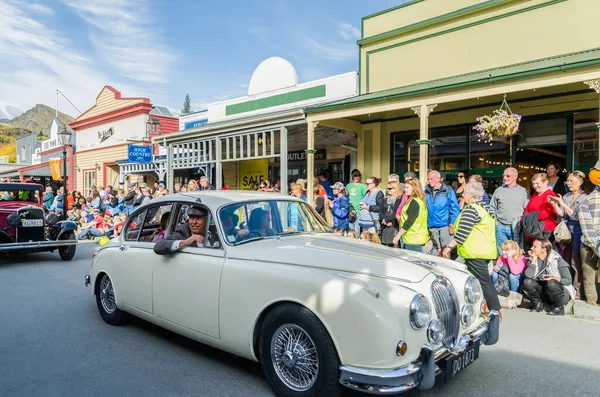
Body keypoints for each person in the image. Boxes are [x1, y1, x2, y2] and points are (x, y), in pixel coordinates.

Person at [443, 182, 501, 316]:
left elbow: (462, 232)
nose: (462, 195)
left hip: (475, 252)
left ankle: (494, 309)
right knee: (476, 281)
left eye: (464, 193)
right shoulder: (487, 208)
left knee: (483, 282)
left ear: (470, 195)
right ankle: (480, 306)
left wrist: (449, 247)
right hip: (485, 251)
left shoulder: (471, 209)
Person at [548, 171, 587, 298]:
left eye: (571, 181)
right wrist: (554, 203)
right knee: (566, 259)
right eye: (568, 181)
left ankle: (578, 290)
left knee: (576, 261)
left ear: (580, 182)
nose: (568, 184)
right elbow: (561, 213)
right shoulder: (566, 196)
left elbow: (576, 216)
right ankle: (567, 285)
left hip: (578, 230)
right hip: (566, 231)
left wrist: (563, 203)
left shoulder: (584, 197)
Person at [522, 239, 576, 315]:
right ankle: (538, 304)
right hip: (545, 292)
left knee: (552, 283)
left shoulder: (557, 260)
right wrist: (533, 259)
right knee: (527, 282)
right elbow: (528, 276)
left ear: (543, 250)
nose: (531, 248)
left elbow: (568, 280)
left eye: (535, 247)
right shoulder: (533, 258)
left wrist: (555, 278)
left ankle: (559, 308)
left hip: (560, 293)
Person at [490, 167, 529, 253]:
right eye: (503, 176)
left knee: (515, 252)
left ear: (515, 177)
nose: (504, 178)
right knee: (502, 252)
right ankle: (504, 266)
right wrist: (495, 221)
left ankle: (513, 266)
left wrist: (521, 220)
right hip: (500, 226)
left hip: (516, 227)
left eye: (508, 176)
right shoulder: (498, 191)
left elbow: (527, 209)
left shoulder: (523, 191)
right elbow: (492, 207)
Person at [579, 160, 600, 306]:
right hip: (589, 243)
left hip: (590, 242)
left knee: (589, 275)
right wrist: (595, 243)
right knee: (589, 275)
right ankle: (592, 303)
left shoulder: (588, 198)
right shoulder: (588, 199)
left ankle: (592, 302)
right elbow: (585, 224)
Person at [425, 170, 460, 256]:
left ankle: (447, 269)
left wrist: (452, 224)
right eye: (428, 179)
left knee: (445, 251)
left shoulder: (447, 190)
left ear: (438, 179)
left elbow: (455, 209)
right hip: (432, 225)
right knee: (436, 251)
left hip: (444, 225)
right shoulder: (426, 190)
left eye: (432, 179)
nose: (429, 181)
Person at [523, 173, 558, 247]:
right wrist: (525, 217)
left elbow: (545, 214)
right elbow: (527, 208)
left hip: (545, 229)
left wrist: (530, 218)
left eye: (537, 183)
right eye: (533, 183)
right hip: (534, 228)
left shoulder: (550, 194)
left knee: (543, 252)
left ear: (545, 182)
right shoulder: (535, 194)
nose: (535, 186)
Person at [346, 169, 367, 236]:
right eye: (355, 175)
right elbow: (346, 196)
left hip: (358, 210)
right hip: (350, 211)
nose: (357, 177)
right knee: (350, 230)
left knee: (357, 231)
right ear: (352, 176)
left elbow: (366, 197)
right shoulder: (348, 185)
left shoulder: (363, 186)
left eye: (359, 175)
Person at [380, 182, 402, 247]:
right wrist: (384, 220)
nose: (388, 190)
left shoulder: (399, 199)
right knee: (384, 245)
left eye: (390, 189)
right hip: (385, 225)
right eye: (387, 189)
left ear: (396, 189)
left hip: (394, 225)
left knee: (394, 246)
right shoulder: (385, 199)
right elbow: (380, 211)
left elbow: (396, 213)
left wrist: (387, 220)